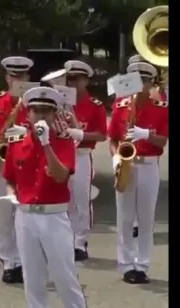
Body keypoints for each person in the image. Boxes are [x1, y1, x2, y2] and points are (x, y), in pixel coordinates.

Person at [0, 86, 87, 308]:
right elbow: (9, 177)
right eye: (36, 110)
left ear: (54, 114)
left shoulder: (63, 141)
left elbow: (60, 176)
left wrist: (47, 143)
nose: (40, 116)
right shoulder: (17, 142)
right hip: (26, 216)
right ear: (27, 114)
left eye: (46, 111)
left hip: (54, 216)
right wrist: (11, 196)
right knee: (33, 278)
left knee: (64, 277)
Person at [108, 62, 169, 284]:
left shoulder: (161, 108)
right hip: (126, 164)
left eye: (143, 81)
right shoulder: (121, 106)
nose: (138, 85)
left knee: (146, 219)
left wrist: (146, 135)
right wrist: (116, 156)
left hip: (148, 165)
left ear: (150, 83)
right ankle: (125, 265)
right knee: (124, 218)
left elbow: (163, 140)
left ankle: (141, 265)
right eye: (134, 80)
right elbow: (113, 138)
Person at [0, 56, 34, 284]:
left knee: (26, 216)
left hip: (28, 162)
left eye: (21, 76)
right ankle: (9, 263)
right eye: (13, 75)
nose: (16, 79)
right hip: (2, 161)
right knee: (4, 216)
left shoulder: (34, 102)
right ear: (6, 77)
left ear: (28, 77)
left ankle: (25, 261)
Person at [63, 60, 108, 261]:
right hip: (62, 154)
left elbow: (101, 135)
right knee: (65, 200)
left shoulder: (94, 105)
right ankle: (67, 240)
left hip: (81, 155)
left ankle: (80, 242)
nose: (73, 83)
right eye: (70, 79)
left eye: (77, 79)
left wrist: (80, 135)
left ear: (85, 81)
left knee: (82, 199)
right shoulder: (59, 103)